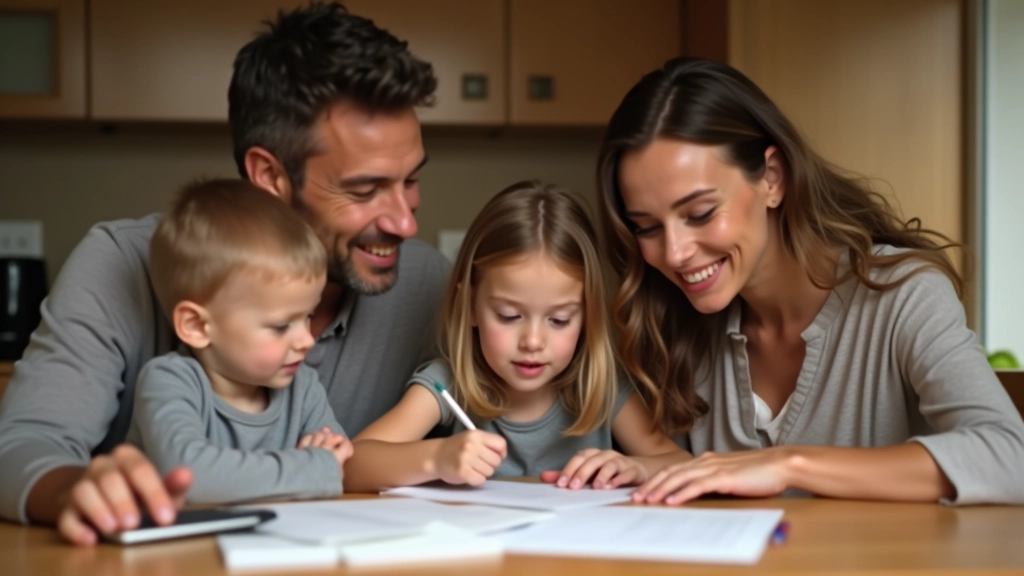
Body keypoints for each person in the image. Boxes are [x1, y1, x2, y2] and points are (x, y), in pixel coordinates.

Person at [0, 2, 450, 545]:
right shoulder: (121, 263)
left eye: (411, 180)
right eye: (364, 189)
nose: (405, 220)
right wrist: (75, 489)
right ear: (270, 176)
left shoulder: (430, 285)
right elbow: (21, 447)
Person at [591, 57, 1024, 506]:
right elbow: (703, 483)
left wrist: (788, 464)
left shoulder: (904, 296)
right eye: (647, 226)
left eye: (699, 213)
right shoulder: (679, 324)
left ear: (772, 179)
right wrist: (646, 467)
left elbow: (1011, 457)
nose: (676, 252)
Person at [345, 181, 686, 493]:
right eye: (509, 316)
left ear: (588, 317)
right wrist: (436, 457)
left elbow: (682, 464)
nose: (533, 341)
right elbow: (350, 466)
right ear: (471, 307)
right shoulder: (447, 384)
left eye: (559, 319)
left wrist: (637, 466)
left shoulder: (602, 386)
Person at [128, 179, 352, 504]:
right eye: (280, 326)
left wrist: (323, 468)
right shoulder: (169, 382)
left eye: (308, 316)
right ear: (196, 326)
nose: (306, 339)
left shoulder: (303, 387)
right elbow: (190, 478)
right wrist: (314, 468)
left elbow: (340, 462)